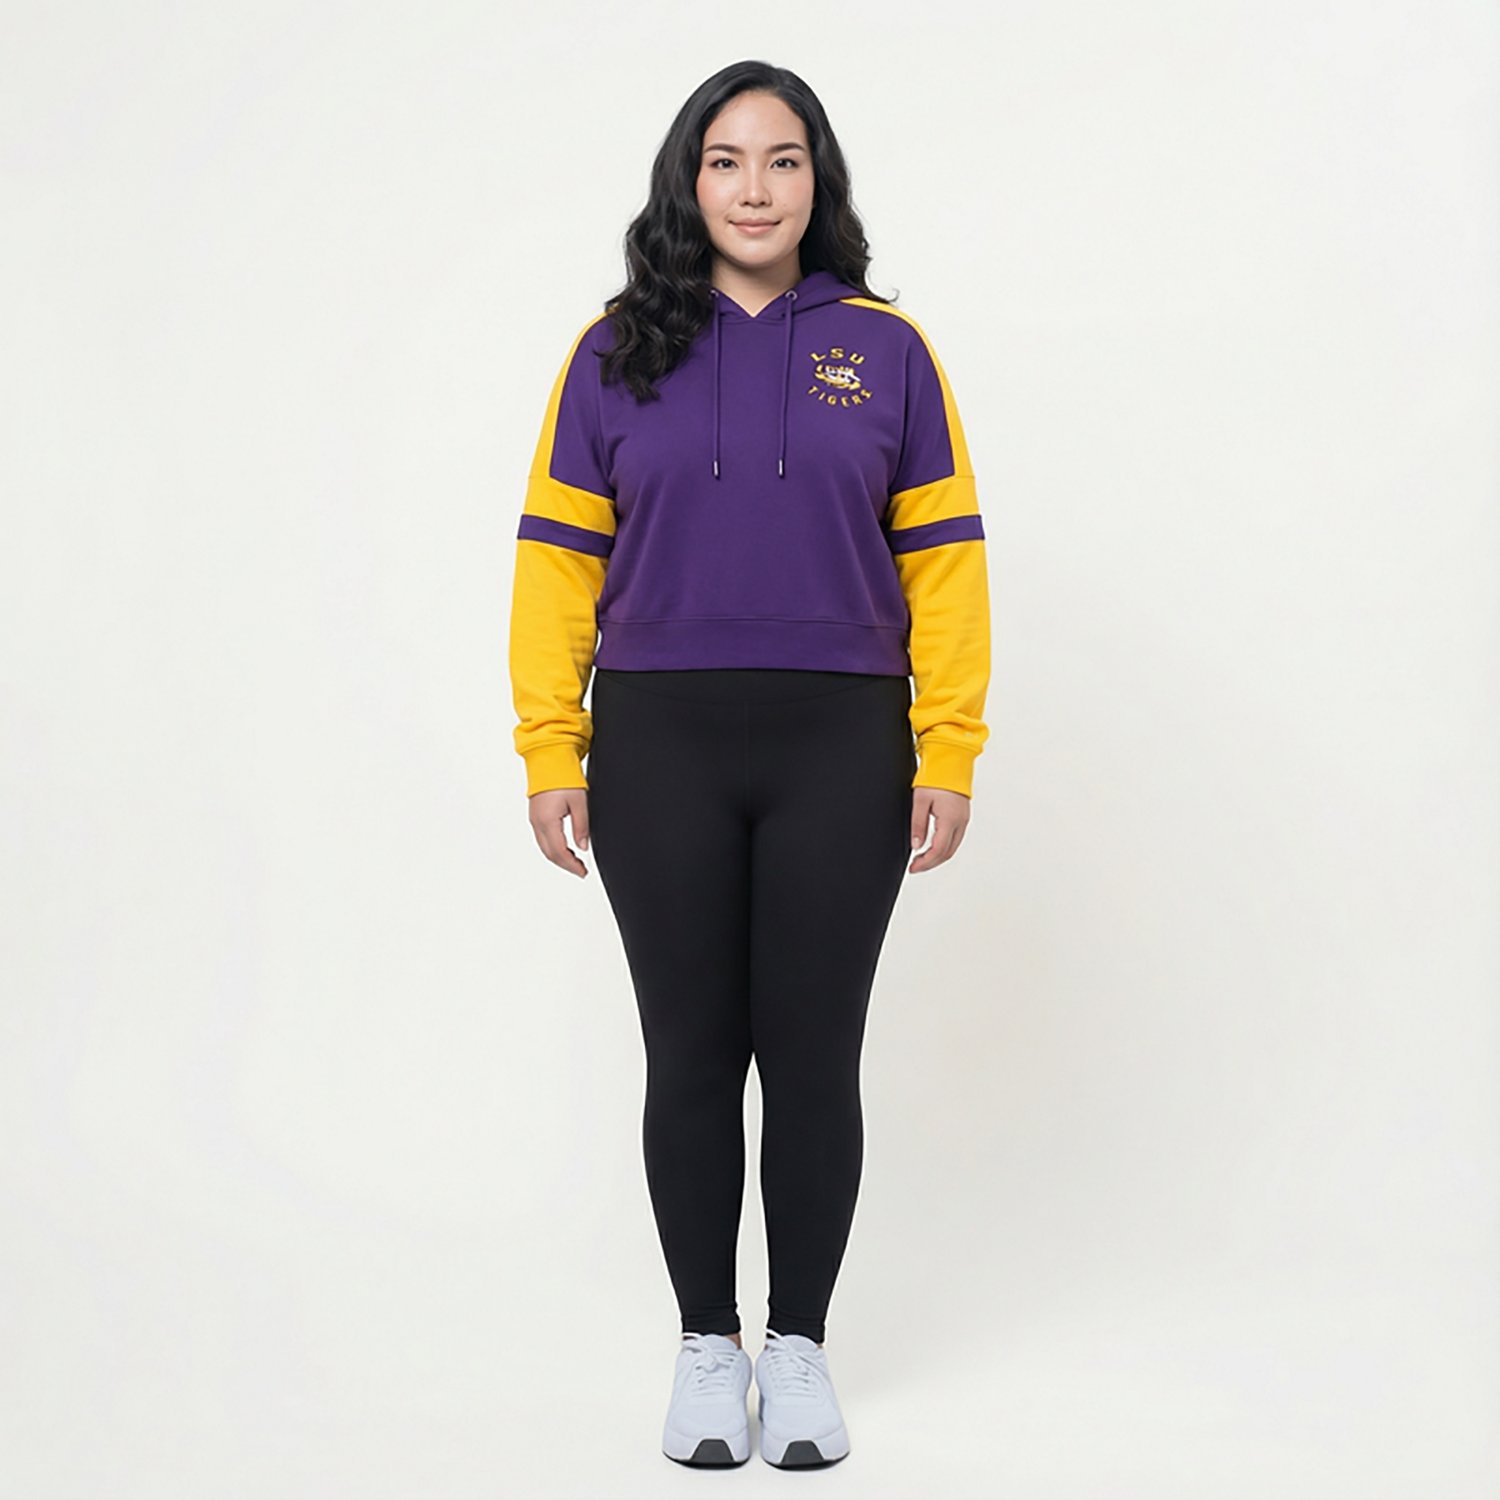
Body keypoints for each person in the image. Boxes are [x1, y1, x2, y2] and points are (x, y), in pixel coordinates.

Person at [507, 60, 990, 1470]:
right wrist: (551, 743)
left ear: (816, 181)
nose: (756, 189)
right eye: (726, 162)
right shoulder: (614, 351)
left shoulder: (889, 353)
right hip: (657, 738)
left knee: (814, 1053)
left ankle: (802, 1347)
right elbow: (557, 563)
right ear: (689, 181)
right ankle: (707, 1348)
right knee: (693, 1054)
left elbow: (944, 563)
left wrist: (949, 745)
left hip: (843, 739)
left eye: (783, 161)